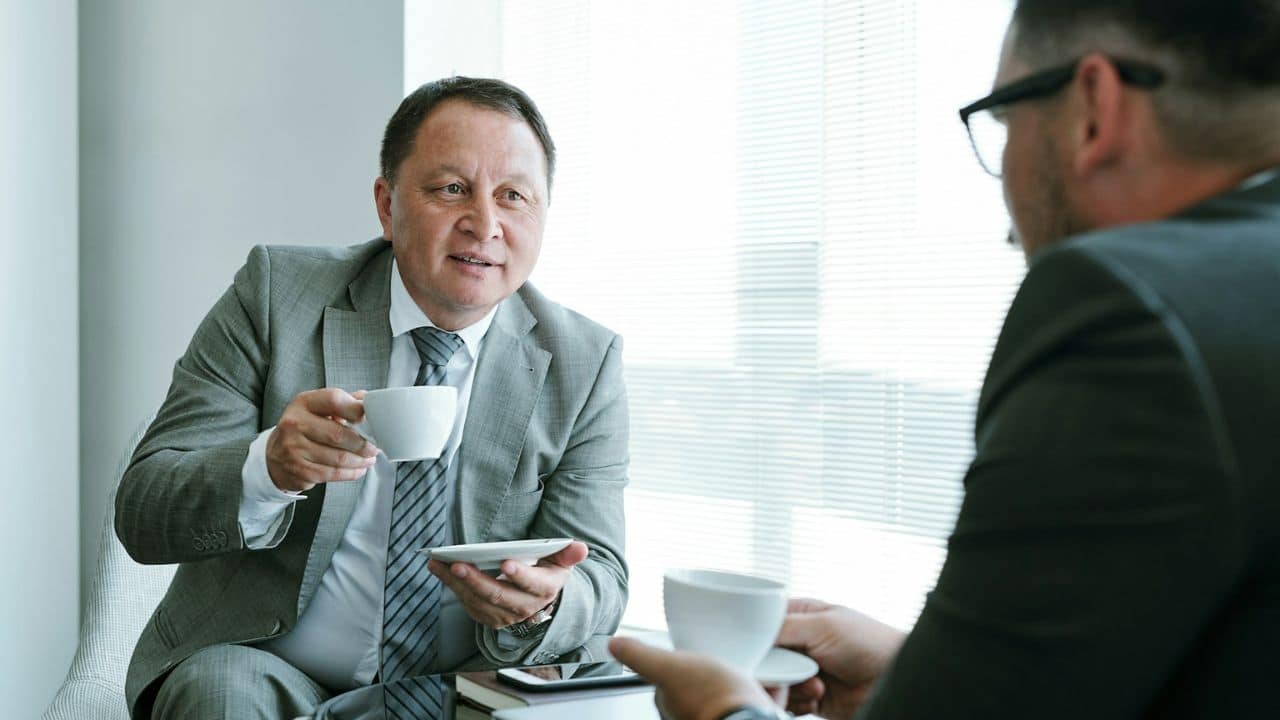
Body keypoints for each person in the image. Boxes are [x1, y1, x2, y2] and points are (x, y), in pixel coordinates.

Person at [610, 0, 1280, 717]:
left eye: (1004, 123)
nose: (1006, 224)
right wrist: (920, 671)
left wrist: (727, 712)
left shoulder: (1127, 310)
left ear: (1092, 108)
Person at [115, 77, 630, 719]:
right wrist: (268, 466)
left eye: (513, 197)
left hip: (466, 691)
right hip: (274, 669)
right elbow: (144, 511)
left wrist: (543, 604)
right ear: (387, 206)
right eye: (451, 189)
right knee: (223, 695)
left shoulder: (584, 363)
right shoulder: (277, 297)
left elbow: (601, 572)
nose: (485, 224)